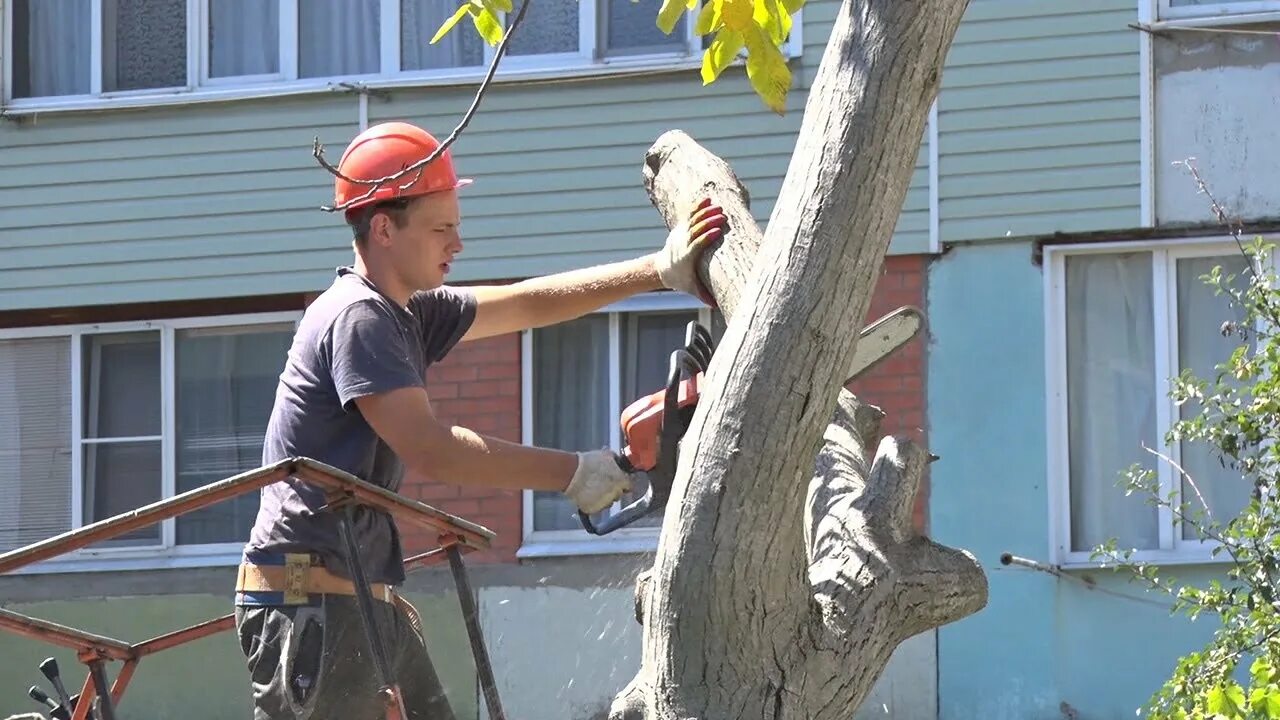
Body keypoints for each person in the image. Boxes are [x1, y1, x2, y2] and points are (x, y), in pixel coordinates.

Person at [232, 121, 726, 720]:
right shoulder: (359, 319)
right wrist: (572, 473)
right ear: (384, 228)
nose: (457, 244)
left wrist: (658, 269)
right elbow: (432, 448)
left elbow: (525, 303)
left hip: (360, 599)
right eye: (442, 228)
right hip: (310, 604)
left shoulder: (407, 312)